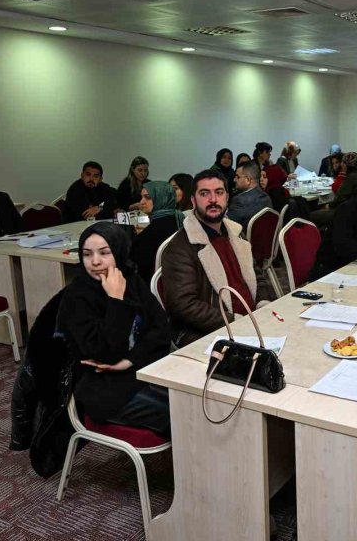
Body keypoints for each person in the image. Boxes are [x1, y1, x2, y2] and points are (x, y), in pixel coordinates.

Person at [58, 222, 171, 437]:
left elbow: (161, 330)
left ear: (118, 252)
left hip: (139, 371)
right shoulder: (77, 297)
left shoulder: (129, 278)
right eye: (87, 254)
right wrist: (115, 300)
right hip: (105, 390)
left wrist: (128, 361)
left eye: (104, 252)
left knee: (196, 400)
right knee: (182, 413)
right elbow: (106, 353)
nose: (95, 261)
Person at [161, 170, 265, 348]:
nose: (213, 200)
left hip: (254, 323)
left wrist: (264, 303)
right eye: (204, 193)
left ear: (227, 197)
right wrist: (237, 322)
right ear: (193, 200)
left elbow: (258, 276)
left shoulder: (236, 233)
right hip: (211, 333)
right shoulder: (180, 247)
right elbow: (184, 305)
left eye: (219, 192)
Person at [129, 181, 184, 283]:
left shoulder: (156, 228)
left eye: (148, 197)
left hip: (153, 285)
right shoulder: (178, 217)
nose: (141, 202)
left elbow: (138, 261)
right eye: (142, 197)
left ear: (161, 198)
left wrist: (138, 236)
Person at [227, 160, 271, 229]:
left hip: (243, 239)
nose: (234, 180)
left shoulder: (239, 201)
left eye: (237, 177)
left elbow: (227, 226)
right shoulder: (266, 197)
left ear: (248, 180)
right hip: (266, 239)